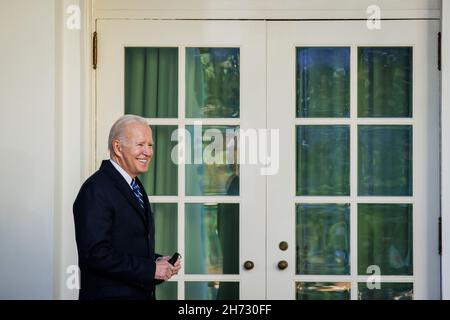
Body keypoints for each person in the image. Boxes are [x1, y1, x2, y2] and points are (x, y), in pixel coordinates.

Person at [73, 114, 181, 300]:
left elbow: (125, 246)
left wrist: (155, 261)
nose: (148, 152)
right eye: (140, 145)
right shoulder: (96, 189)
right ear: (117, 147)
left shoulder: (135, 185)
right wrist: (150, 269)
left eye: (150, 145)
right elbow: (95, 254)